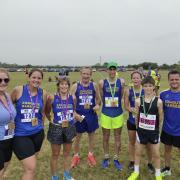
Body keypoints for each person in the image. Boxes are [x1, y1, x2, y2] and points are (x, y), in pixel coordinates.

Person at [11, 68, 47, 180]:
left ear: (42, 80)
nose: (36, 80)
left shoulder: (43, 93)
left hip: (37, 134)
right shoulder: (18, 90)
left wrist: (41, 125)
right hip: (20, 135)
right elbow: (9, 107)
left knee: (30, 167)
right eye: (34, 77)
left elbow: (42, 111)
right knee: (31, 168)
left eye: (39, 78)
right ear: (28, 78)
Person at [128, 76, 163, 180]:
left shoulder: (158, 101)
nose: (148, 88)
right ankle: (135, 172)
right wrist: (137, 128)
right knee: (138, 152)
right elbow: (137, 116)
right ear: (143, 87)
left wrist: (156, 129)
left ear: (154, 87)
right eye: (146, 86)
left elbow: (160, 117)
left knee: (156, 154)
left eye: (150, 86)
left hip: (153, 132)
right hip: (141, 131)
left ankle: (158, 174)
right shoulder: (138, 101)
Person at [45, 77, 76, 180]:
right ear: (58, 85)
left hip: (69, 127)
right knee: (55, 154)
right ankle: (54, 177)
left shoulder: (73, 97)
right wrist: (52, 120)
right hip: (56, 128)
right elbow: (47, 111)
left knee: (67, 153)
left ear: (68, 86)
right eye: (62, 84)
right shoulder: (52, 97)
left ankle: (66, 175)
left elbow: (73, 111)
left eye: (66, 84)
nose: (64, 86)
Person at [124, 71, 155, 173]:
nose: (136, 80)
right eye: (134, 78)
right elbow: (126, 106)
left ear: (141, 79)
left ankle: (150, 163)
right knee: (132, 142)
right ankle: (132, 162)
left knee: (148, 144)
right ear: (131, 79)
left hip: (144, 122)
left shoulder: (146, 90)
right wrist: (131, 109)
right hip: (132, 121)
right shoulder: (128, 91)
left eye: (138, 78)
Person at [71, 67, 101, 168]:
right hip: (79, 115)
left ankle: (90, 155)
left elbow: (98, 100)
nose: (86, 76)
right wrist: (74, 113)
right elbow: (69, 102)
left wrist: (97, 105)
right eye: (84, 73)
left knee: (91, 135)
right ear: (80, 74)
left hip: (91, 114)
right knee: (77, 137)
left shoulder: (94, 85)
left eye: (88, 74)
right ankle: (76, 156)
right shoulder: (75, 86)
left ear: (90, 75)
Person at [99, 61, 125, 171]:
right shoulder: (102, 82)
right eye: (110, 69)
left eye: (114, 69)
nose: (112, 71)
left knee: (117, 137)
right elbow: (101, 96)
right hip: (106, 113)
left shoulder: (121, 82)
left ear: (116, 71)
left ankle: (116, 158)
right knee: (105, 137)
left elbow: (121, 95)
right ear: (107, 70)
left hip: (118, 113)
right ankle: (106, 157)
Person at [160, 69, 180, 177]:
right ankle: (167, 168)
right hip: (167, 129)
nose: (174, 81)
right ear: (168, 80)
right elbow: (158, 110)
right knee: (167, 150)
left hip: (179, 131)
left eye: (177, 79)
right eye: (172, 79)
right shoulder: (163, 94)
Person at [0, 68, 16, 179]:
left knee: (5, 165)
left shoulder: (7, 96)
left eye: (6, 80)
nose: (3, 82)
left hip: (9, 138)